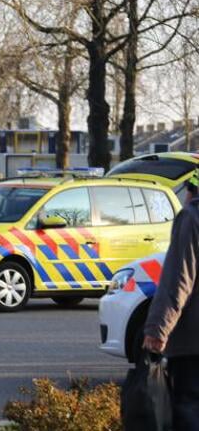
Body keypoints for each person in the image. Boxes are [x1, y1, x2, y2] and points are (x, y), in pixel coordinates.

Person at [143, 167, 199, 430]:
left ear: (191, 192)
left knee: (188, 409)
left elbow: (178, 280)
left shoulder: (192, 217)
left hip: (192, 344)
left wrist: (157, 329)